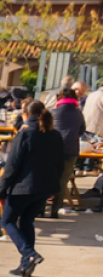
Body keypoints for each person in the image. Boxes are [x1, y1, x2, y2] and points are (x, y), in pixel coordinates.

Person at [0, 102, 64, 277]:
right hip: (44, 188)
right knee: (27, 221)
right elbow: (60, 164)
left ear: (26, 115)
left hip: (23, 188)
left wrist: (1, 191)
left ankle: (29, 254)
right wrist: (53, 187)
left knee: (7, 221)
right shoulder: (54, 134)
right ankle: (26, 264)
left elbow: (12, 167)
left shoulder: (25, 134)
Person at [51, 87, 85, 217]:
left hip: (53, 150)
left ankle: (41, 209)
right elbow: (81, 131)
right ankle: (55, 210)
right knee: (62, 180)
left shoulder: (53, 112)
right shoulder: (78, 113)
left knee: (47, 177)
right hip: (71, 150)